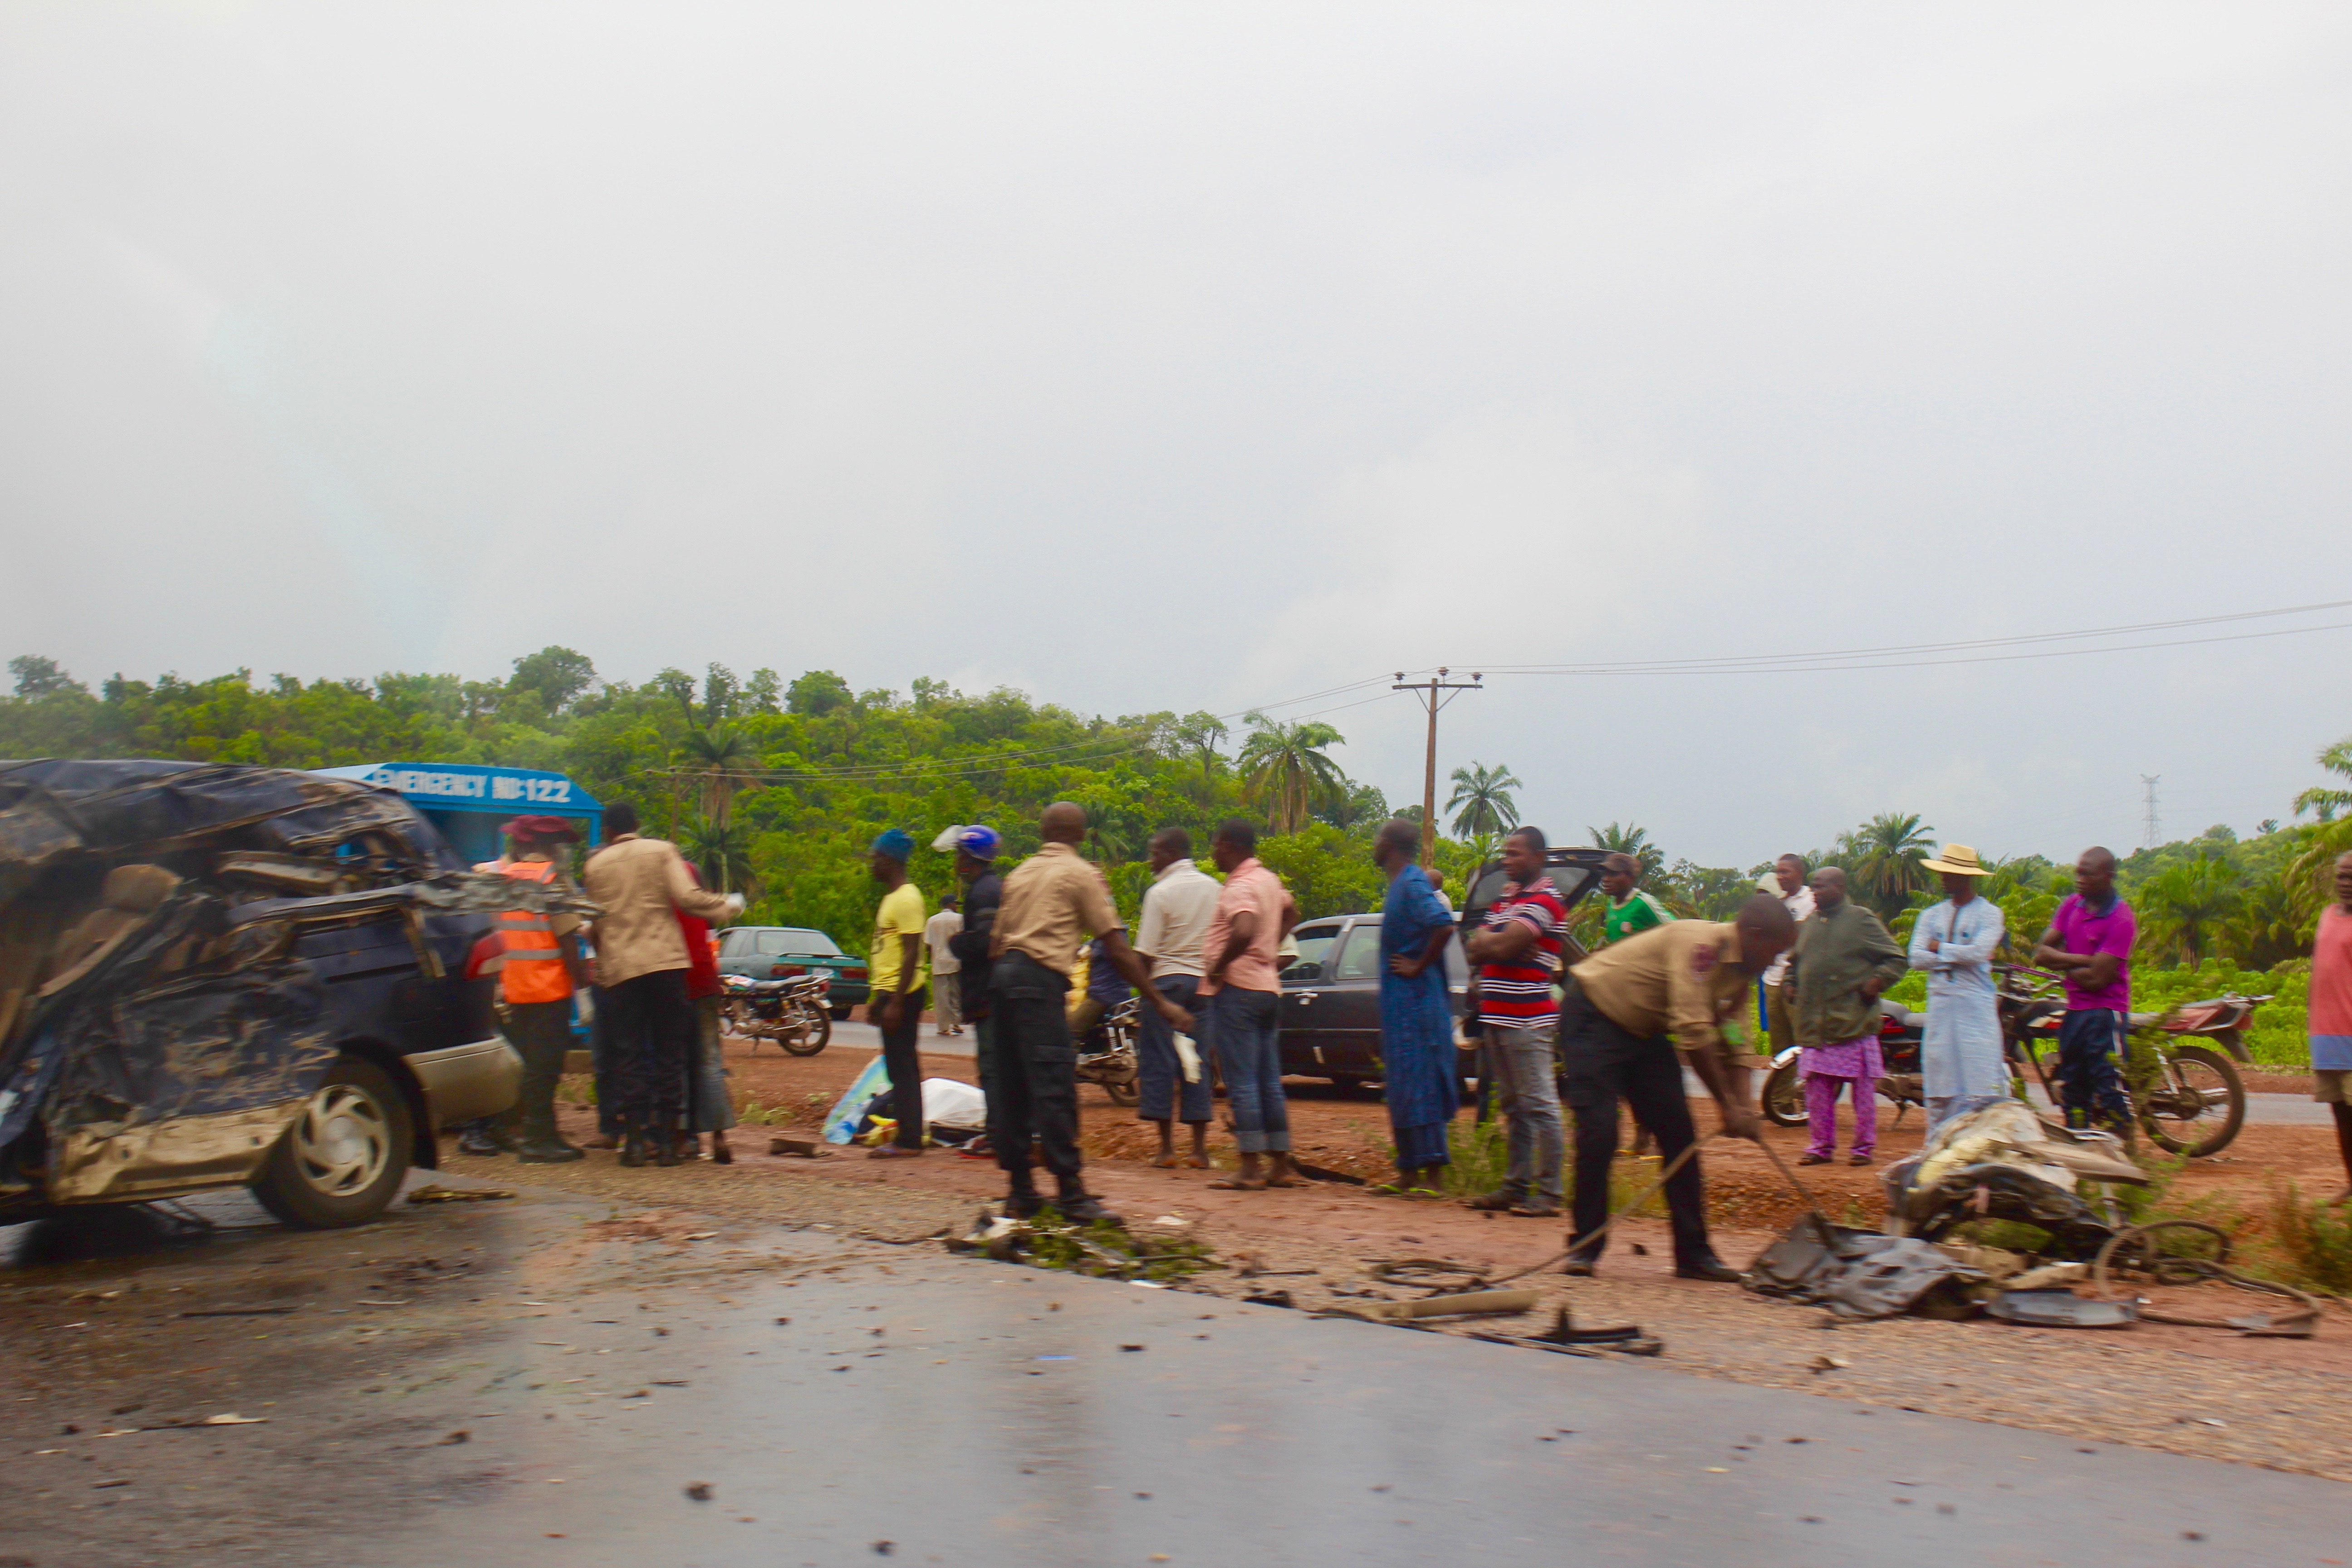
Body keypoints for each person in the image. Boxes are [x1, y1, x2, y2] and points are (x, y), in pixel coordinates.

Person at [1558, 894, 1791, 1278]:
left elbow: (1736, 1040)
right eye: (1775, 952)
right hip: (1594, 1016)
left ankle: (1693, 1254)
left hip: (1645, 1030)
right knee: (1600, 1133)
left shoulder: (1741, 974)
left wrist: (1743, 1107)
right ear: (1754, 934)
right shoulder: (1700, 947)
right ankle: (1585, 1247)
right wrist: (1727, 1106)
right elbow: (1695, 1035)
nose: (1774, 962)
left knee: (1679, 1135)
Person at [989, 803, 1190, 1221]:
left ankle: (1020, 1190)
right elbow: (1116, 947)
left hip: (1003, 980)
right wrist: (1159, 1001)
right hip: (1039, 981)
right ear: (1081, 834)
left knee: (1012, 1088)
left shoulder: (1019, 873)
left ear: (1043, 831)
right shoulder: (1081, 874)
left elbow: (995, 944)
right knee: (1054, 1086)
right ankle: (1071, 1193)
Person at [581, 802, 741, 1166]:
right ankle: (669, 1146)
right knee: (671, 1053)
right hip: (666, 966)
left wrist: (604, 967)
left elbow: (596, 923)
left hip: (622, 970)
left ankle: (636, 1143)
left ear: (607, 831)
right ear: (637, 823)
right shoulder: (662, 851)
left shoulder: (595, 866)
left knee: (630, 1055)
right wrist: (727, 906)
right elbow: (687, 899)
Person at [1462, 826, 1569, 1216]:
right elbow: (1474, 947)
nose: (1507, 860)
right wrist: (1499, 943)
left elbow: (1497, 943)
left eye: (1515, 854)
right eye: (1506, 853)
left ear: (1538, 858)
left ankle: (1550, 1193)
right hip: (1498, 1016)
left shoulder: (1546, 900)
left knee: (1539, 1104)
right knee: (1513, 1105)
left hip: (1527, 1018)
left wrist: (1498, 942)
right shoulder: (1508, 900)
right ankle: (1517, 1185)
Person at [477, 816, 592, 1162]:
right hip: (548, 992)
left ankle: (540, 1132)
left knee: (527, 1066)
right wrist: (583, 989)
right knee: (545, 1068)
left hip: (514, 990)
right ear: (550, 847)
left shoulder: (506, 879)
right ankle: (537, 1140)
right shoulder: (551, 882)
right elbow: (568, 942)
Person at [1199, 818, 1301, 1192]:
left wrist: (1219, 965)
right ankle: (1280, 1165)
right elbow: (1292, 912)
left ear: (1229, 846)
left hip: (1239, 989)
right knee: (1269, 1080)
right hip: (1268, 988)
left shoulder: (1239, 886)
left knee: (1241, 1080)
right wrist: (1269, 946)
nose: (1213, 852)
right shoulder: (1269, 881)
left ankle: (1250, 1168)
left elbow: (1242, 929)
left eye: (1216, 845)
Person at [1785, 867, 1906, 1166]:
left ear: (1839, 888)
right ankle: (1821, 1147)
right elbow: (1794, 963)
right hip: (1816, 1025)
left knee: (1862, 1095)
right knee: (1816, 1092)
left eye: (1821, 887)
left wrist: (1876, 982)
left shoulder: (1861, 920)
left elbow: (1896, 959)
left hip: (1853, 1022)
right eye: (1813, 887)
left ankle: (1863, 1149)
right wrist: (1790, 983)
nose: (1815, 892)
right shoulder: (1809, 924)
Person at [1375, 819, 1458, 1196]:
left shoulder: (1412, 883)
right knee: (1402, 1084)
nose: (1374, 845)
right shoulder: (1400, 885)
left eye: (1378, 839)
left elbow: (1443, 925)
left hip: (1417, 1003)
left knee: (1421, 1082)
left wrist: (1418, 965)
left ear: (1391, 844)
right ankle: (1408, 1171)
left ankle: (1433, 1175)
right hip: (1401, 1005)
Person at [1132, 828, 1219, 1168]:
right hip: (1203, 987)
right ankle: (1199, 1151)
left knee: (1160, 1063)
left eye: (1154, 853)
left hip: (1166, 984)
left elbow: (1146, 953)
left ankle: (1166, 1150)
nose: (1150, 860)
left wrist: (1146, 994)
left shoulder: (1159, 893)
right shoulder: (1215, 889)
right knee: (1197, 1063)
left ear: (1171, 854)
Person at [2033, 847, 2136, 1132]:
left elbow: (2096, 981)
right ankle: (2080, 1146)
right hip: (2075, 1011)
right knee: (2074, 1093)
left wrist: (2062, 960)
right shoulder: (2072, 905)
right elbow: (2041, 954)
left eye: (2088, 875)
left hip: (2106, 1014)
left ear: (2108, 876)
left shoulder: (2121, 918)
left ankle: (2126, 1150)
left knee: (2110, 1091)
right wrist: (2086, 959)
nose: (2080, 880)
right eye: (2078, 873)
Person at [1908, 843, 2007, 1130]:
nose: (1942, 878)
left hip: (1975, 1008)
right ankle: (1938, 1145)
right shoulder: (1931, 915)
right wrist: (1955, 956)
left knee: (1981, 1082)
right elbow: (1916, 958)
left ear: (1966, 877)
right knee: (1940, 1084)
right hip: (1941, 1007)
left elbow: (1978, 953)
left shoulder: (1990, 914)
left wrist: (1938, 947)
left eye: (1948, 873)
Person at [864, 829, 929, 1160]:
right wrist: (879, 999)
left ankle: (909, 1141)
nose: (872, 863)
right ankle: (908, 1134)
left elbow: (911, 952)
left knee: (903, 1068)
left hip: (903, 994)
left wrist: (897, 1002)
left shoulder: (906, 899)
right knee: (898, 1067)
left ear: (890, 861)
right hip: (891, 993)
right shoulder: (893, 898)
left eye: (876, 857)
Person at [937, 823, 1005, 1104]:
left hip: (988, 991)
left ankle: (996, 1126)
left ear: (970, 859)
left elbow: (985, 942)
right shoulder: (990, 887)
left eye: (960, 856)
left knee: (992, 1068)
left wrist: (957, 943)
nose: (956, 862)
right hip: (993, 989)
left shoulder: (983, 893)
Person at [675, 862, 734, 1163]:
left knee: (678, 1062)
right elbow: (711, 943)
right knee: (710, 1062)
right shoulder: (703, 905)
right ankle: (720, 1137)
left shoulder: (665, 903)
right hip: (706, 982)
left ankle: (685, 1139)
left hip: (677, 982)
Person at [2307, 850, 2352, 1203]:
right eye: (2341, 876)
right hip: (2325, 1033)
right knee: (2340, 1114)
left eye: (2351, 876)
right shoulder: (2326, 915)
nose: (2346, 883)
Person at [1761, 854, 1814, 1055]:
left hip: (1795, 980)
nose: (1780, 876)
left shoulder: (1810, 900)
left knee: (1802, 1041)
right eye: (1778, 872)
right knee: (1779, 1044)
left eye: (1785, 872)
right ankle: (1783, 1077)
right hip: (1772, 980)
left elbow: (1799, 940)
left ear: (1799, 873)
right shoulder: (1777, 901)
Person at [1599, 852, 1673, 945]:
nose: (1606, 879)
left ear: (1630, 877)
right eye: (1605, 874)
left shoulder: (1643, 903)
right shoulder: (1611, 905)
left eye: (1613, 874)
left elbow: (1677, 931)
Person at [924, 895, 965, 1037]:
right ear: (950, 904)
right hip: (956, 961)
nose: (957, 906)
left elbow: (928, 945)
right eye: (955, 904)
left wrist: (932, 959)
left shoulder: (932, 920)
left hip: (939, 962)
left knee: (941, 996)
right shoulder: (960, 919)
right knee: (956, 993)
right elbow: (964, 940)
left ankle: (943, 1027)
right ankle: (957, 1022)